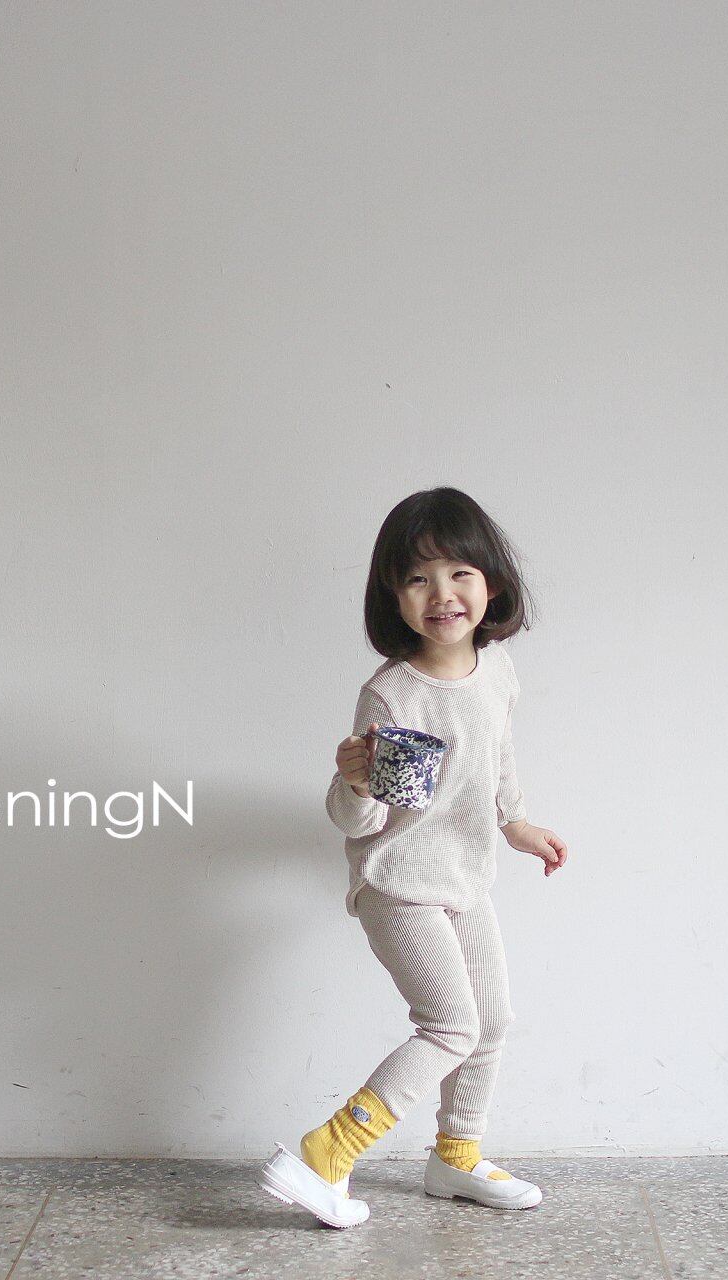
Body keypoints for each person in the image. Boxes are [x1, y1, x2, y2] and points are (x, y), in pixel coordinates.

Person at [258, 487, 570, 1229]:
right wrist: (353, 781)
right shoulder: (392, 696)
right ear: (392, 597)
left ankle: (455, 1157)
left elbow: (496, 754)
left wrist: (516, 822)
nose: (442, 594)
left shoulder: (497, 670)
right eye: (418, 579)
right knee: (451, 1025)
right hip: (397, 884)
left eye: (460, 573)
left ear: (491, 582)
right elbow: (361, 820)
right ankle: (326, 1153)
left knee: (491, 1019)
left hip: (466, 879)